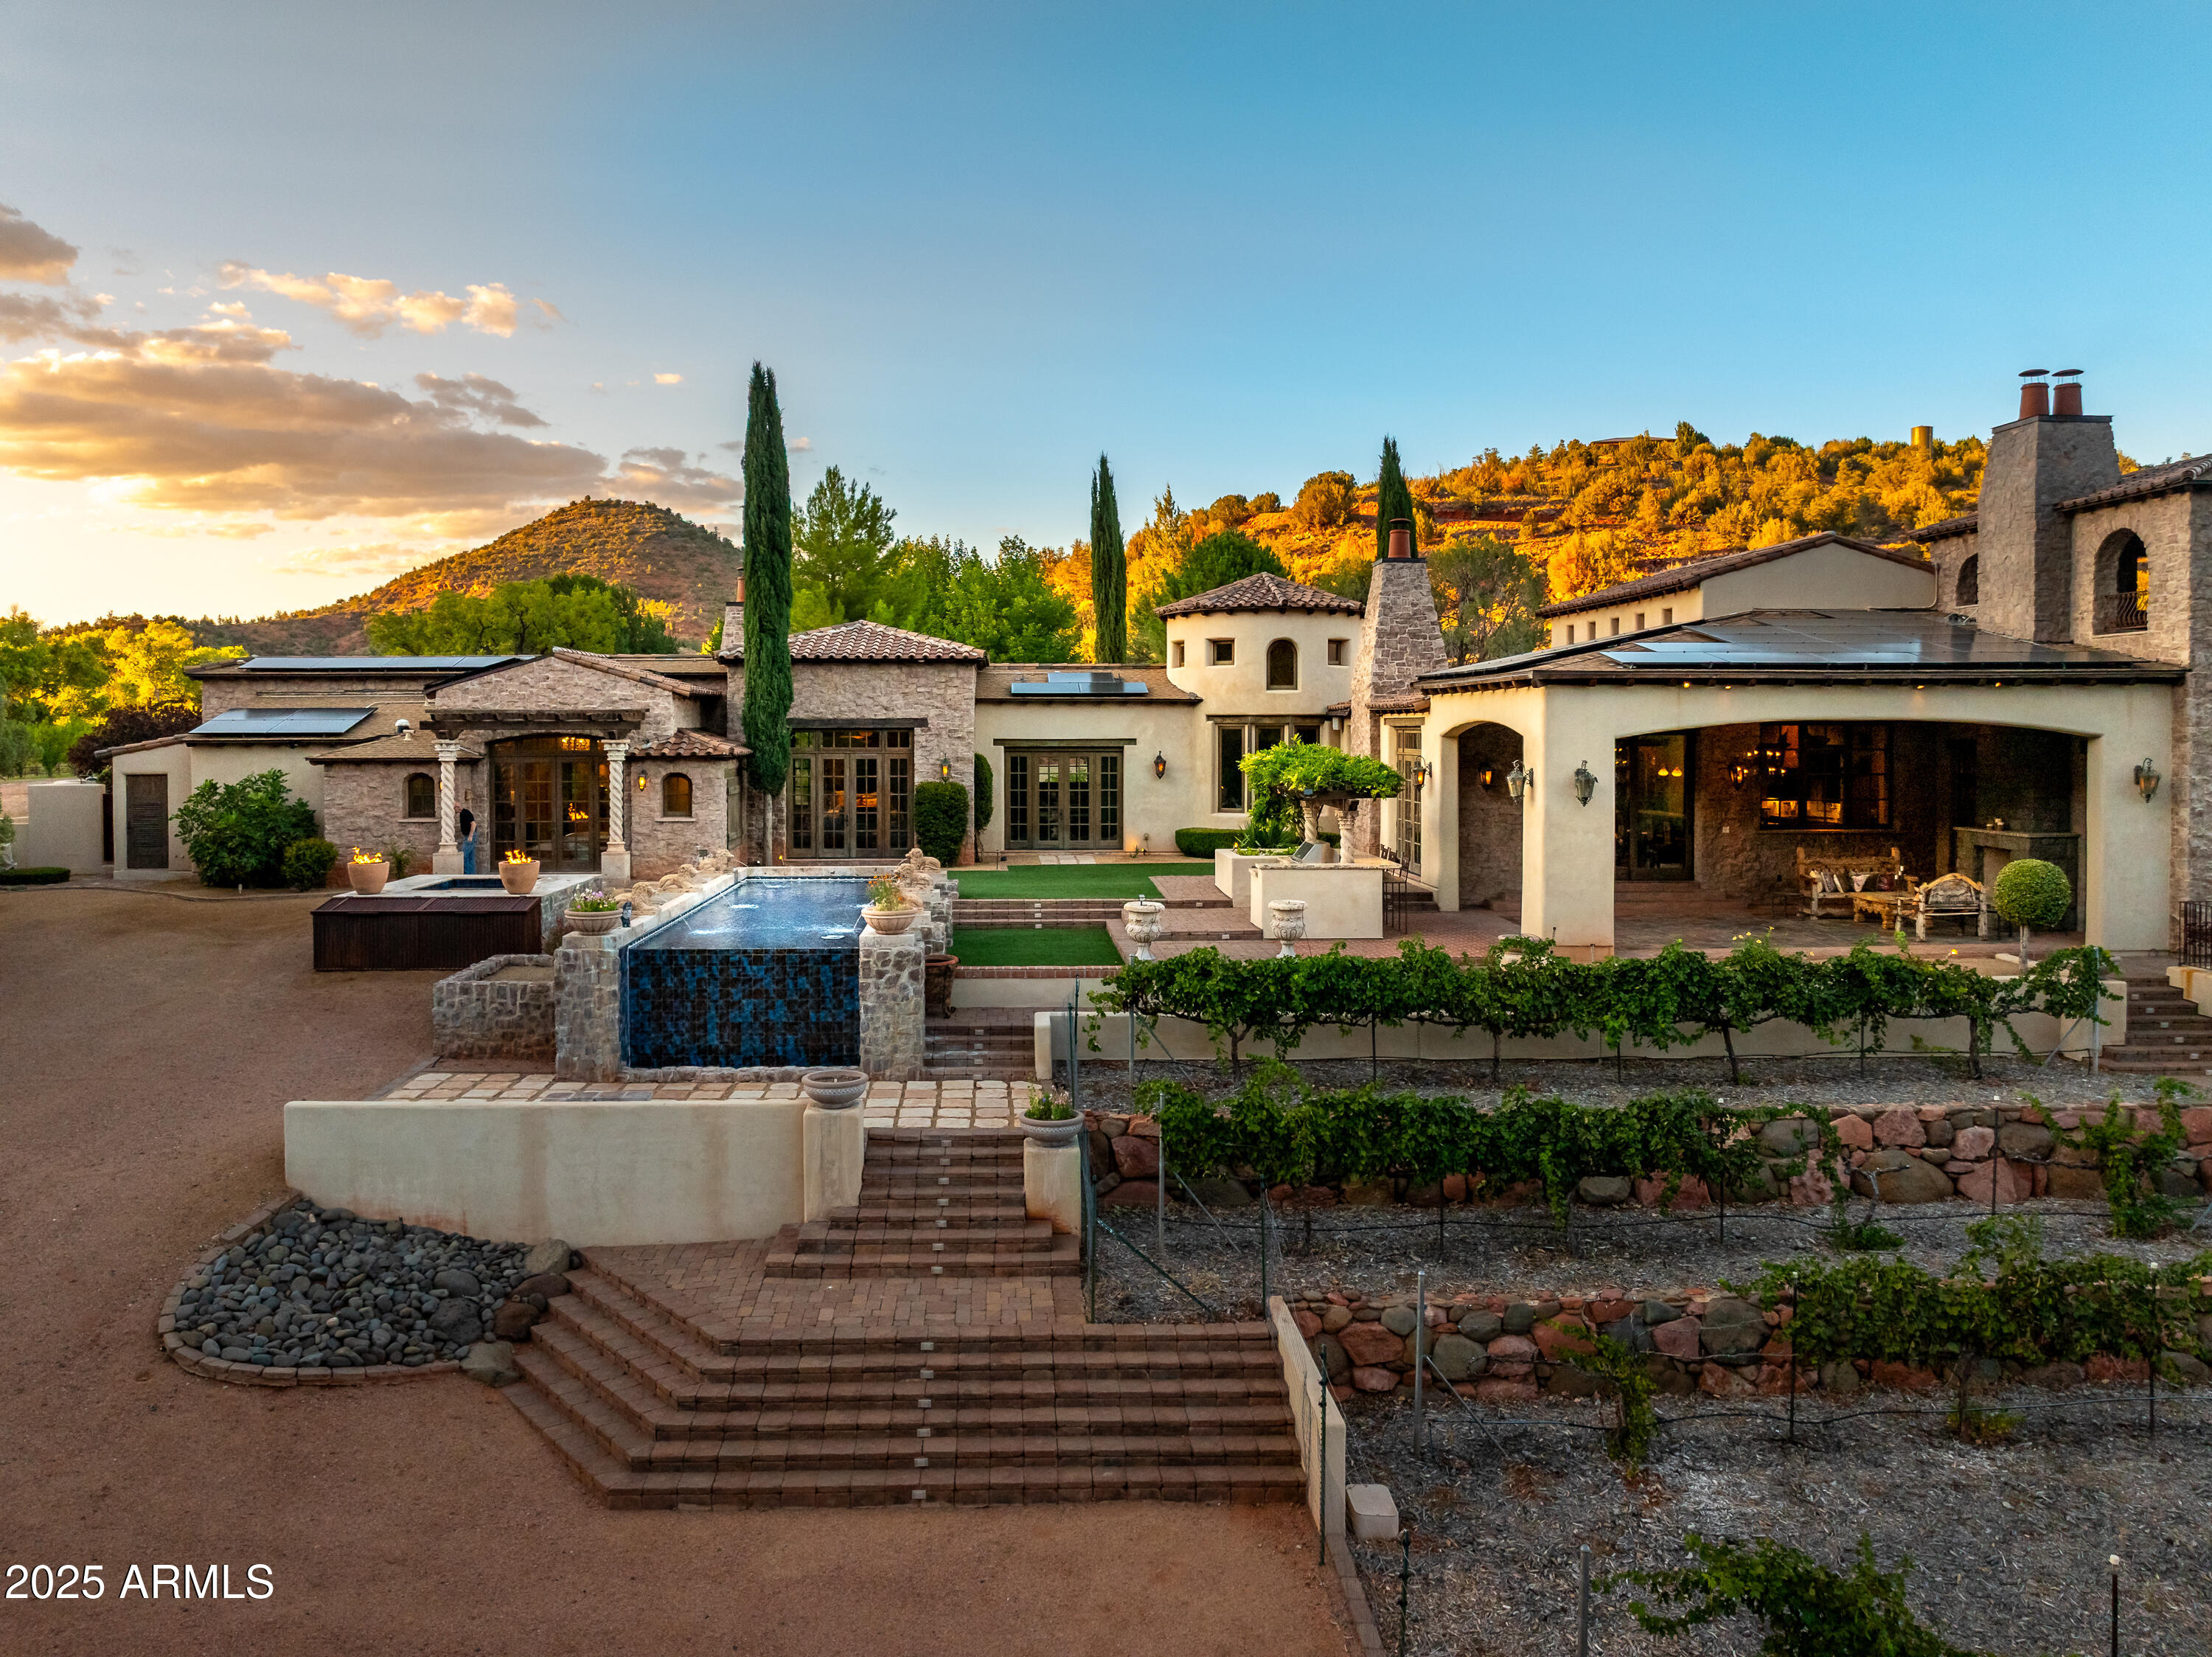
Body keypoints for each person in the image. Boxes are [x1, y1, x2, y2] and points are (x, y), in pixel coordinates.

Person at [459, 807, 477, 874]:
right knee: (470, 857)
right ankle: (472, 874)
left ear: (457, 807)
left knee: (464, 855)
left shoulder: (466, 813)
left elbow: (474, 824)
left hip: (470, 837)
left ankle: (467, 874)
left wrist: (470, 836)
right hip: (468, 836)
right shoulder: (462, 813)